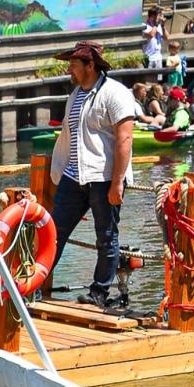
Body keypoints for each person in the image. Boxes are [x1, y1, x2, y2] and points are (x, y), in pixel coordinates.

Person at [47, 40, 140, 311]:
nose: (69, 70)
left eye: (74, 65)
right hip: (74, 177)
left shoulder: (116, 93)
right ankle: (31, 284)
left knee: (106, 236)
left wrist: (117, 182)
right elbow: (69, 138)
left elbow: (125, 140)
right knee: (53, 232)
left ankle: (98, 292)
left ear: (90, 65)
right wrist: (58, 174)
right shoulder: (75, 96)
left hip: (103, 178)